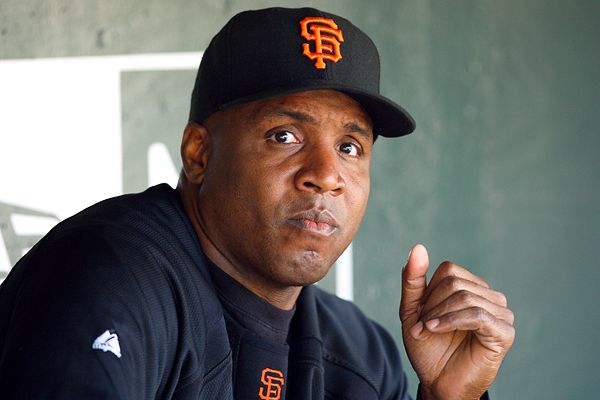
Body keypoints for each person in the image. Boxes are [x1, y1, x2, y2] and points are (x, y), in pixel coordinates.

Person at [0, 7, 514, 400]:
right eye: (285, 136)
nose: (326, 176)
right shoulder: (108, 279)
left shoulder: (359, 354)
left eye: (349, 147)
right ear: (199, 154)